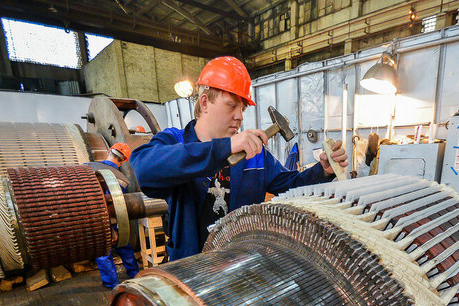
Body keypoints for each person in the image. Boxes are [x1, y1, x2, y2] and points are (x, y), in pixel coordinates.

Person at [130, 56, 348, 260]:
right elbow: (144, 169)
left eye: (242, 108)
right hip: (190, 268)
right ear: (204, 103)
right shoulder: (175, 141)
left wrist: (322, 171)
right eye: (231, 105)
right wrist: (225, 147)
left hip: (239, 265)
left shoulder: (254, 154)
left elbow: (291, 185)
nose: (239, 116)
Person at [95, 142, 140, 288]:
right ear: (123, 161)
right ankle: (135, 274)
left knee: (103, 252)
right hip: (115, 218)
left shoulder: (88, 167)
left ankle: (112, 284)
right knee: (124, 245)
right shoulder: (121, 178)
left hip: (96, 220)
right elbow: (120, 203)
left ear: (109, 151)